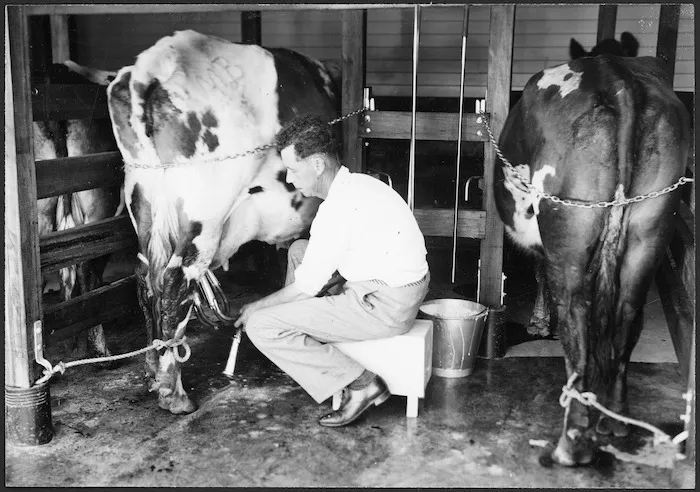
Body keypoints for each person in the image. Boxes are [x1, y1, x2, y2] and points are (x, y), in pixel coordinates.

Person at [235, 114, 430, 427]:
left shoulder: (335, 210)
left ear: (316, 165)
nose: (289, 180)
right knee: (300, 250)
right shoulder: (360, 185)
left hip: (383, 306)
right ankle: (304, 337)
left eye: (293, 170)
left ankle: (363, 384)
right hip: (395, 287)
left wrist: (257, 307)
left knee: (262, 325)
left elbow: (306, 287)